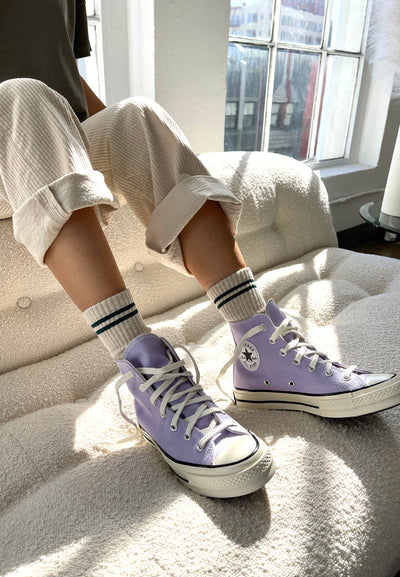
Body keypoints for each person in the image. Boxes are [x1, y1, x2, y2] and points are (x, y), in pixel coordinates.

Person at [1, 0, 399, 499]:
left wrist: (128, 152)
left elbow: (63, 75)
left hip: (47, 130)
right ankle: (144, 371)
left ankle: (259, 343)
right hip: (11, 134)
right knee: (23, 96)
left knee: (136, 115)